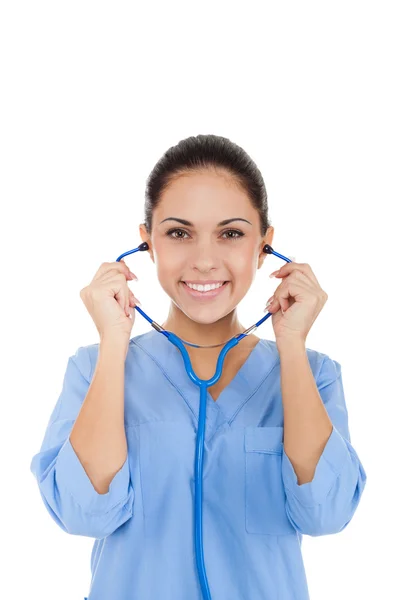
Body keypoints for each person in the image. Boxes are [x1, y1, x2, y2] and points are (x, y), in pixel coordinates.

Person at [30, 134, 367, 600]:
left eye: (231, 233)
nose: (205, 261)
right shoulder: (95, 368)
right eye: (178, 233)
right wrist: (114, 343)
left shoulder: (313, 373)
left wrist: (290, 343)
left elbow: (325, 515)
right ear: (146, 243)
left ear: (265, 246)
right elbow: (83, 513)